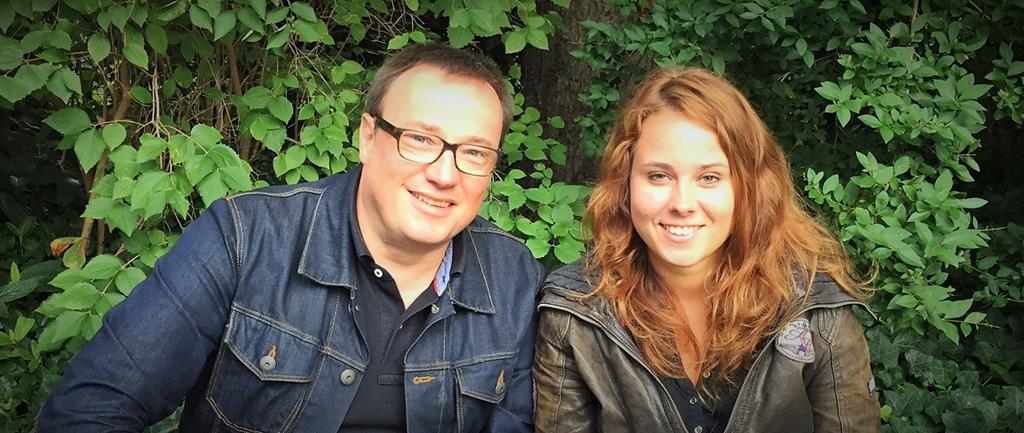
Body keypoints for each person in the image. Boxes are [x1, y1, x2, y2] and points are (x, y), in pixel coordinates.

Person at [39, 43, 544, 433]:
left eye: (474, 152)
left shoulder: (514, 279)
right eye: (420, 139)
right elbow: (91, 409)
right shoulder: (246, 238)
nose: (444, 174)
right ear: (368, 137)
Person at [533, 67, 880, 433]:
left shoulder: (815, 309)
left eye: (709, 178)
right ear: (625, 183)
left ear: (748, 187)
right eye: (658, 176)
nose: (682, 203)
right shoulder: (576, 312)